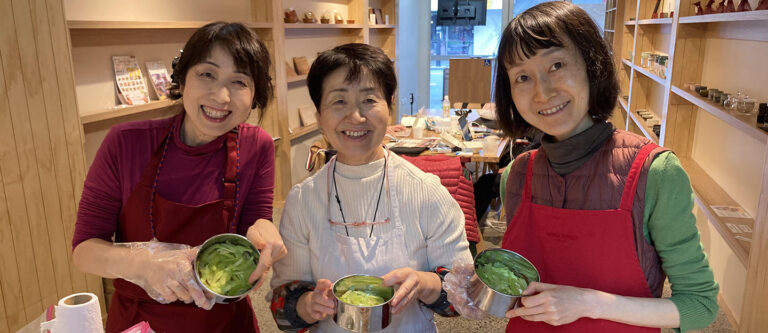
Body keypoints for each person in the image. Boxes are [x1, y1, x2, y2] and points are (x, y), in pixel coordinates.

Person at [444, 2, 719, 332]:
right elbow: (526, 285)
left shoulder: (655, 173)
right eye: (522, 77)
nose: (543, 92)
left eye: (557, 65)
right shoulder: (518, 176)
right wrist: (479, 287)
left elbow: (700, 304)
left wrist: (590, 302)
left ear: (592, 65)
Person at [71, 22, 286, 333]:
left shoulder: (257, 145)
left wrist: (265, 230)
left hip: (223, 321)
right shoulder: (125, 142)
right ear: (182, 79)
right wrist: (143, 265)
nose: (221, 96)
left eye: (239, 81)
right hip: (141, 322)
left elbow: (256, 222)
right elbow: (84, 251)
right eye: (207, 74)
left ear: (254, 97)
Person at [269, 43, 472, 332]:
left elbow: (464, 294)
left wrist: (425, 283)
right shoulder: (303, 200)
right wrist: (306, 305)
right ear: (319, 117)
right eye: (339, 102)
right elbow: (281, 307)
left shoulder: (426, 191)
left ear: (389, 107)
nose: (356, 117)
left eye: (369, 100)